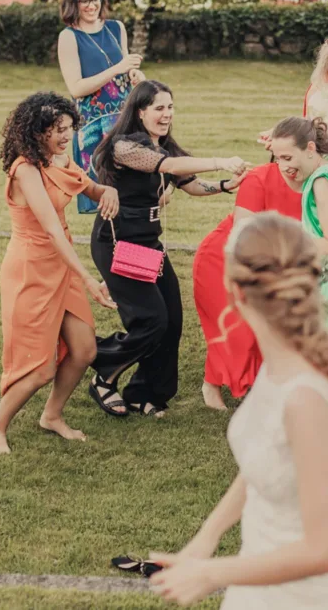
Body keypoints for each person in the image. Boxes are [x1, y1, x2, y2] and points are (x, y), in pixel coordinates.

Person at [148, 212, 328, 609]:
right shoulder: (283, 362)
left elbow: (324, 550)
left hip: (313, 592)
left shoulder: (307, 397)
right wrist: (208, 535)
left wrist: (211, 573)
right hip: (266, 564)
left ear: (234, 290)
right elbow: (265, 459)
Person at [88, 80, 247, 418]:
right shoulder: (124, 147)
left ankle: (146, 393)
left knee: (171, 320)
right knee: (151, 319)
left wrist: (223, 186)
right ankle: (101, 369)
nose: (166, 114)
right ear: (140, 111)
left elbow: (190, 185)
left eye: (170, 107)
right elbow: (170, 168)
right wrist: (221, 160)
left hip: (148, 243)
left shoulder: (166, 147)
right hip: (118, 241)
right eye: (159, 108)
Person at [0, 93, 119, 454]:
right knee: (40, 368)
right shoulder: (25, 170)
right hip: (32, 268)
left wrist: (109, 190)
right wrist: (89, 277)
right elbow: (51, 230)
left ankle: (52, 415)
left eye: (70, 129)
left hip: (62, 264)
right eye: (58, 130)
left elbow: (90, 187)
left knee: (84, 349)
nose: (66, 136)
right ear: (37, 131)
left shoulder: (60, 159)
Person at [193, 159, 304, 411]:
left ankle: (261, 384)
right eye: (283, 157)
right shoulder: (260, 177)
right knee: (236, 327)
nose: (289, 164)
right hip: (226, 259)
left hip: (276, 265)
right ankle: (211, 384)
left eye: (291, 156)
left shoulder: (318, 182)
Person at [269, 117, 328, 374]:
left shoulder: (321, 184)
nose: (282, 165)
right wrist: (285, 154)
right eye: (278, 158)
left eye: (287, 157)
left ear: (310, 148)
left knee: (324, 366)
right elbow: (298, 179)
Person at [57, 0, 144, 214]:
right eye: (84, 1)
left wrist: (136, 76)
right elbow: (76, 88)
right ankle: (110, 250)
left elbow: (127, 73)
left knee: (133, 196)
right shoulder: (68, 37)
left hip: (125, 122)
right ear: (73, 3)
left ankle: (132, 251)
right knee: (106, 202)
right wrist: (117, 68)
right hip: (94, 127)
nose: (91, 5)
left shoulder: (117, 28)